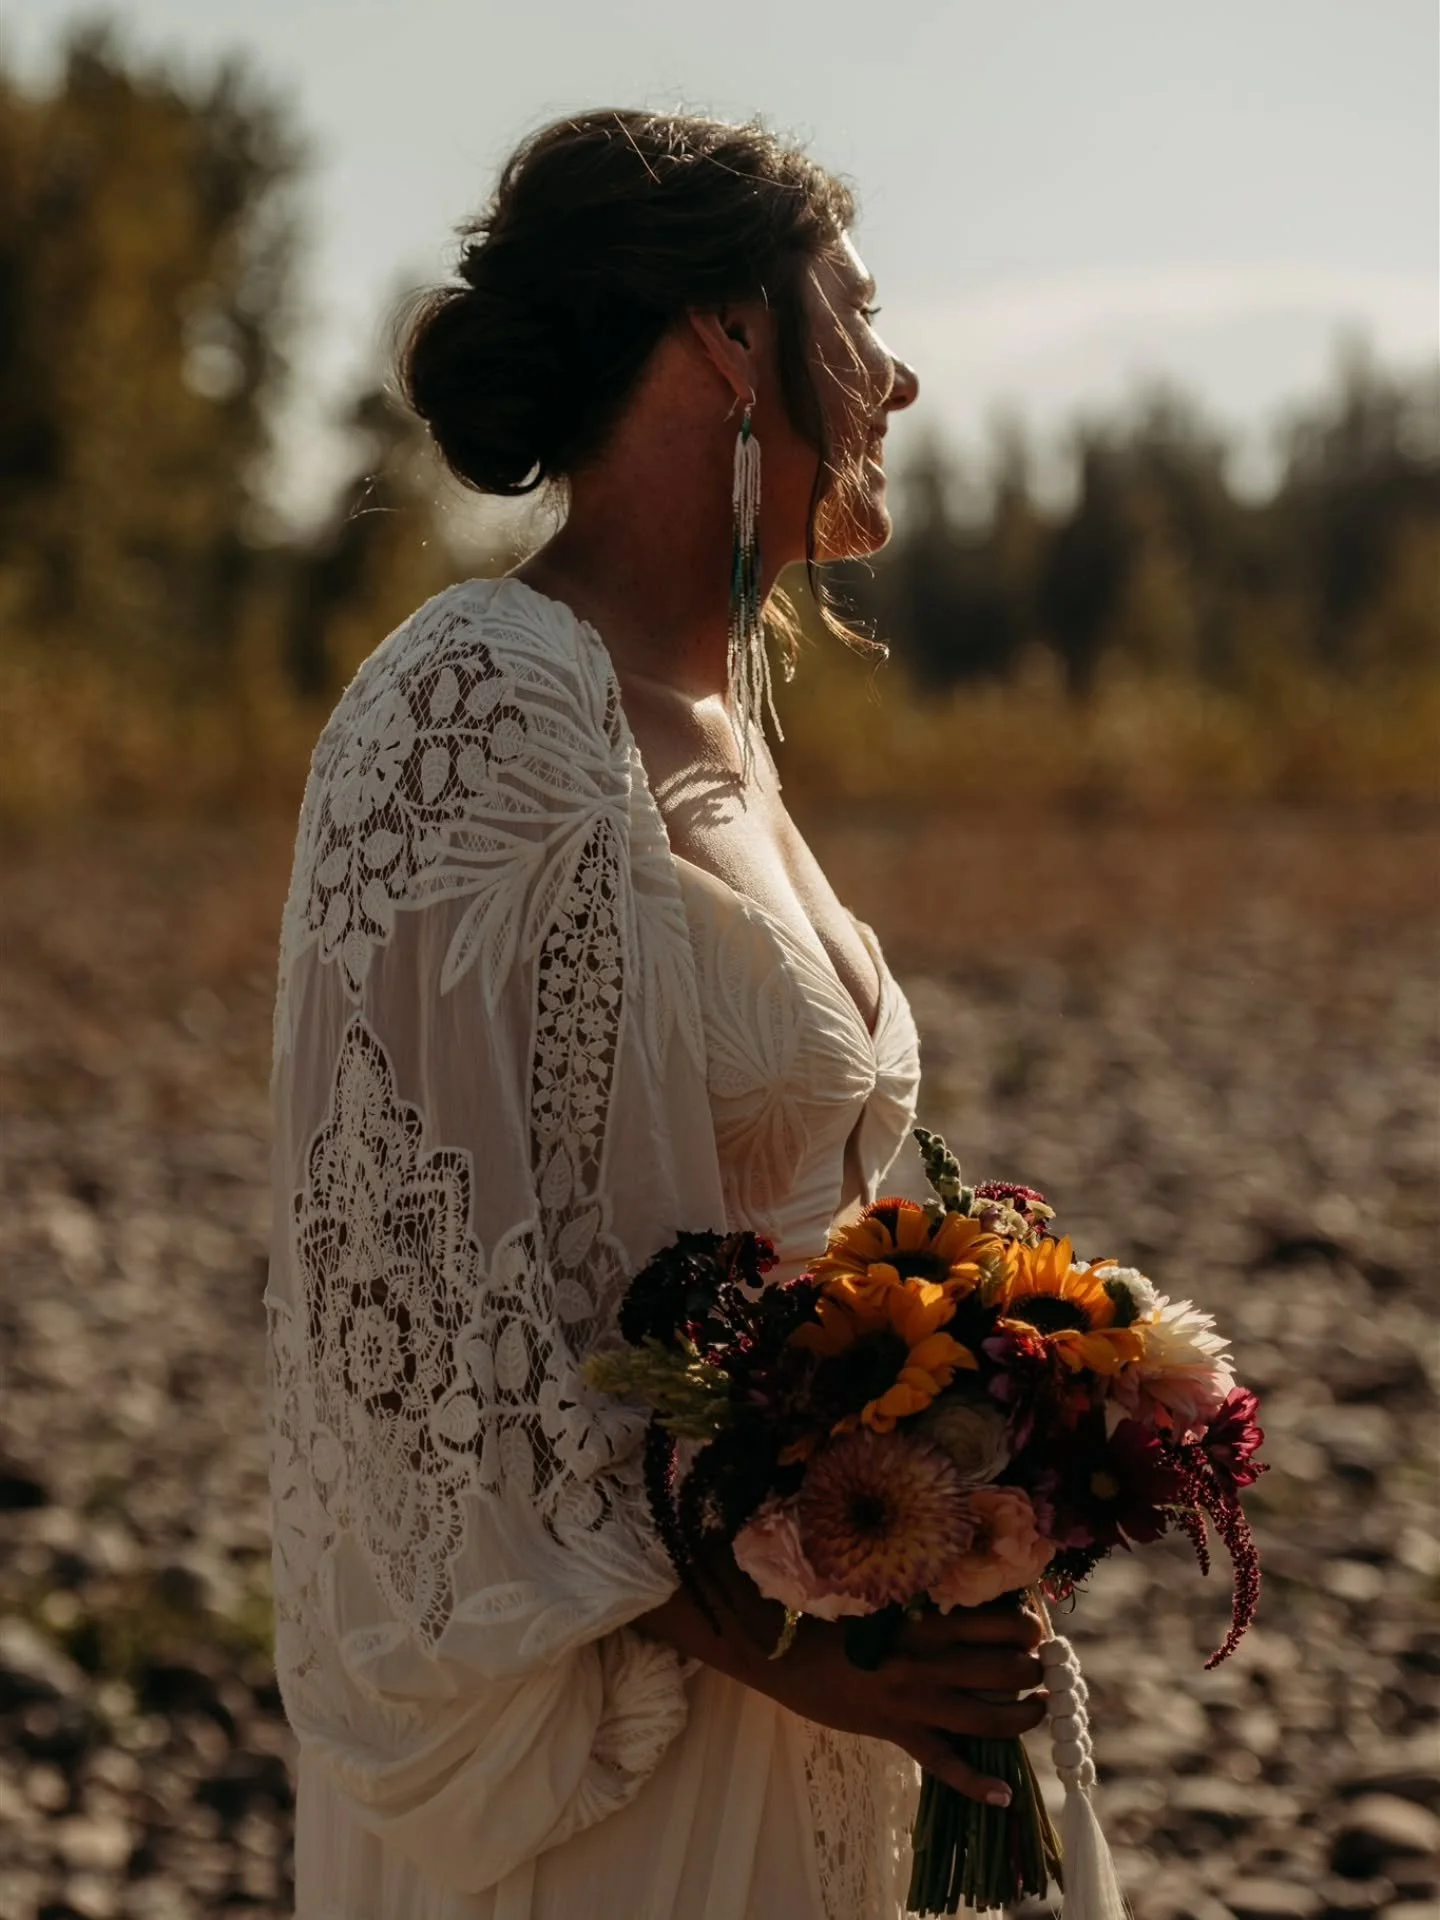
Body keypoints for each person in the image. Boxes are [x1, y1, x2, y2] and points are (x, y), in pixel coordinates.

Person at [265, 108, 1046, 1920]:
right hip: (630, 1742)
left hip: (832, 1664)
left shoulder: (719, 727)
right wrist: (780, 1640)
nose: (902, 376)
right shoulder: (472, 705)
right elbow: (411, 1317)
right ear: (729, 335)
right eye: (853, 310)